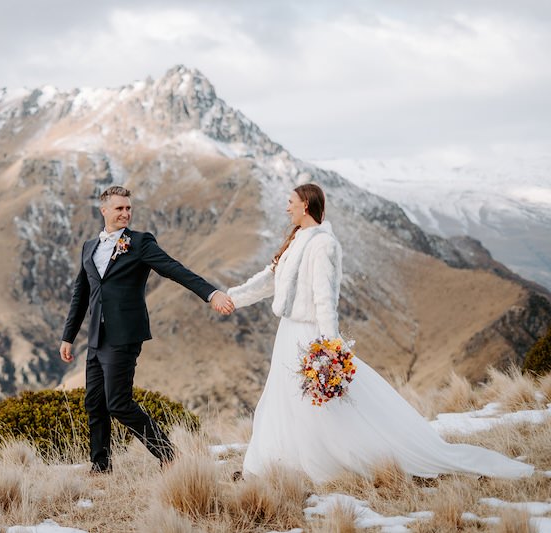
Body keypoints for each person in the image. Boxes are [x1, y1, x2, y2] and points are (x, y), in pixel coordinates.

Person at [227, 183, 533, 483]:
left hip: (307, 335)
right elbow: (270, 280)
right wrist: (232, 298)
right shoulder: (296, 240)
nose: (286, 206)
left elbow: (325, 298)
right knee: (282, 400)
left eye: (290, 201)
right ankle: (272, 465)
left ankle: (329, 461)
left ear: (306, 205)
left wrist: (330, 346)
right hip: (287, 333)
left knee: (315, 406)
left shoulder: (323, 244)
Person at [60, 185, 234, 473]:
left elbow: (174, 269)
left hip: (124, 334)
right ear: (104, 210)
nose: (126, 213)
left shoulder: (140, 243)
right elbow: (81, 294)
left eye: (128, 208)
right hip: (96, 337)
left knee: (118, 403)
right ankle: (100, 465)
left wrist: (211, 293)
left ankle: (169, 455)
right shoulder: (89, 247)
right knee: (95, 402)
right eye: (119, 208)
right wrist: (68, 336)